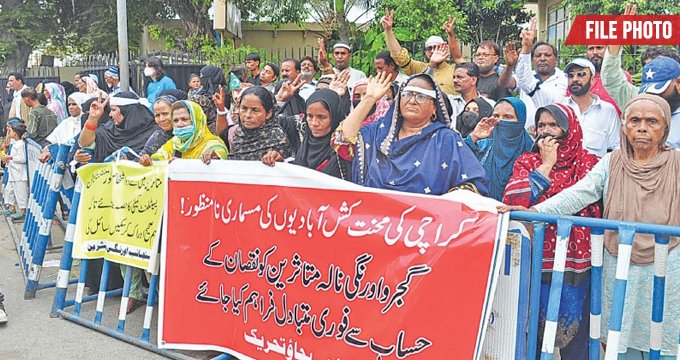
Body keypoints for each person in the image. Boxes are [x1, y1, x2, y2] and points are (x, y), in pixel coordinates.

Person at [502, 93, 680, 358]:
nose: (642, 127)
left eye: (652, 121)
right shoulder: (613, 162)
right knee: (618, 334)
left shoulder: (676, 164)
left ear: (665, 128)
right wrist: (535, 211)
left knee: (662, 333)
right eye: (634, 120)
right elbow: (579, 194)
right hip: (617, 260)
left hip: (669, 260)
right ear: (624, 126)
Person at [502, 103, 602, 359]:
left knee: (576, 334)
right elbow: (515, 199)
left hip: (576, 263)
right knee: (532, 329)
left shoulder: (589, 162)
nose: (546, 132)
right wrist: (546, 166)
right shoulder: (528, 161)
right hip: (535, 260)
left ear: (569, 130)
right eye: (541, 125)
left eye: (553, 125)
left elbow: (590, 204)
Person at [333, 72, 489, 195]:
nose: (412, 101)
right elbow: (341, 142)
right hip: (374, 223)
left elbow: (473, 184)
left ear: (435, 107)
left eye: (421, 96)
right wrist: (369, 98)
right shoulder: (377, 133)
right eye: (407, 95)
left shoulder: (446, 139)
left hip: (423, 227)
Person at [262, 89, 351, 179]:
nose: (314, 123)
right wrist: (281, 162)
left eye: (322, 117)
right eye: (310, 116)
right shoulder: (305, 144)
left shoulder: (344, 149)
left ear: (335, 116)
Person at [499, 19, 567, 132]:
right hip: (526, 136)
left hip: (554, 135)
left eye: (547, 55)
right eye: (538, 55)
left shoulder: (565, 79)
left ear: (556, 59)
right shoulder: (525, 78)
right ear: (532, 59)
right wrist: (510, 65)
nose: (542, 58)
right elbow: (504, 83)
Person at [464, 97, 533, 201]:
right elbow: (455, 159)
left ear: (521, 121)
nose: (500, 121)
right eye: (496, 116)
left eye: (508, 117)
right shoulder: (482, 147)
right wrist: (474, 136)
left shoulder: (531, 151)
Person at [381, 10, 457, 95]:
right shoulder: (419, 68)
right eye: (429, 48)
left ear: (445, 48)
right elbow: (400, 56)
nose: (432, 51)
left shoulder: (455, 70)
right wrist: (388, 31)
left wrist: (451, 35)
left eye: (436, 47)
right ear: (425, 52)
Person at [140, 100, 228, 166]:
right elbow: (158, 159)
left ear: (196, 120)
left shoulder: (213, 144)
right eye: (175, 120)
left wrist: (215, 158)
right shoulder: (174, 143)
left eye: (184, 119)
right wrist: (147, 160)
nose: (180, 124)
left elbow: (221, 161)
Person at [563, 58, 620, 156]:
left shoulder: (607, 110)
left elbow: (615, 147)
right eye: (571, 75)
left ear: (592, 80)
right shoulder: (560, 108)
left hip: (596, 169)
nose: (575, 79)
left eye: (581, 74)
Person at [222, 86, 291, 160]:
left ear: (268, 114)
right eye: (244, 108)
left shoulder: (277, 139)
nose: (248, 115)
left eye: (255, 110)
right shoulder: (235, 134)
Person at [140, 90, 187, 157]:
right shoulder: (158, 137)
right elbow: (142, 157)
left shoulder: (190, 134)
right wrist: (144, 160)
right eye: (157, 115)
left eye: (165, 114)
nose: (161, 119)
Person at [2, 122, 29, 220]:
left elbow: (22, 159)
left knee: (21, 192)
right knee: (10, 190)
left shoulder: (21, 144)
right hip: (13, 172)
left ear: (16, 133)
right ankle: (11, 207)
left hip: (19, 172)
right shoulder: (15, 144)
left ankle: (23, 211)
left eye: (12, 131)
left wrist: (10, 157)